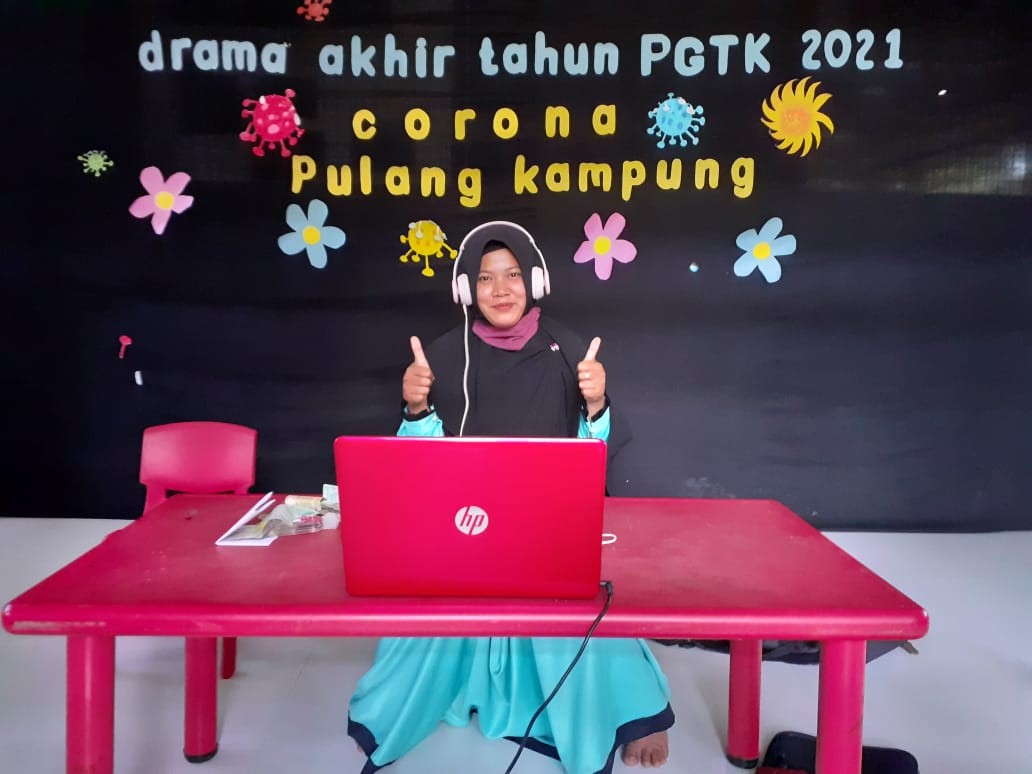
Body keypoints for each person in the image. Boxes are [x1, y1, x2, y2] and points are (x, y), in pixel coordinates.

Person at [347, 221, 673, 773]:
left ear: (535, 281)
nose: (500, 290)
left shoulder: (570, 350)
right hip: (465, 528)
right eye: (485, 278)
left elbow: (594, 458)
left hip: (547, 529)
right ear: (466, 289)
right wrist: (416, 409)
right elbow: (418, 467)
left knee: (588, 612)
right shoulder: (442, 355)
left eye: (513, 275)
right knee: (422, 611)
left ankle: (625, 710)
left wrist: (596, 405)